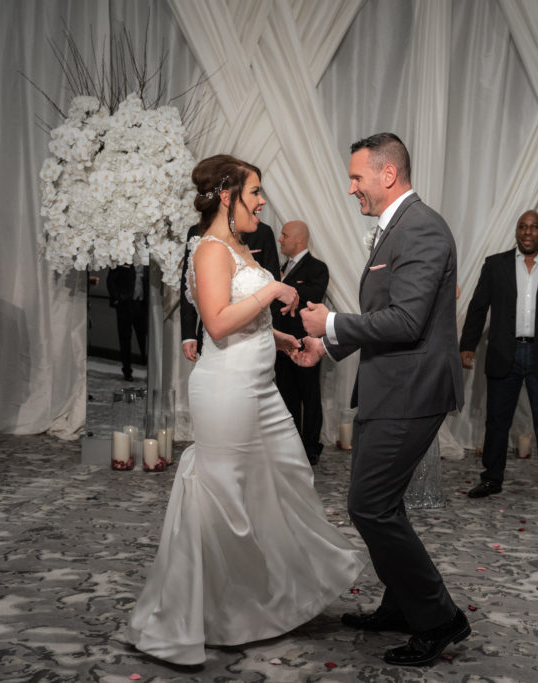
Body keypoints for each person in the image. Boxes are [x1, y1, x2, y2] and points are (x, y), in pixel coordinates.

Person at [126, 154, 364, 666]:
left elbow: (247, 322)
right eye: (255, 192)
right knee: (227, 497)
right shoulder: (211, 249)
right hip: (227, 388)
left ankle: (263, 601)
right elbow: (215, 323)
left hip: (259, 384)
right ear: (229, 196)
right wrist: (273, 292)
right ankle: (209, 614)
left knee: (286, 475)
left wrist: (283, 342)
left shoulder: (240, 246)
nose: (262, 201)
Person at [299, 133, 469, 667]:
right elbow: (386, 316)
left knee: (368, 505)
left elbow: (406, 320)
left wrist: (329, 320)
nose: (351, 188)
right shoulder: (396, 227)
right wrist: (325, 343)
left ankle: (440, 618)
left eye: (357, 178)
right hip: (390, 385)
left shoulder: (421, 227)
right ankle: (402, 605)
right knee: (382, 504)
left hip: (411, 389)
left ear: (387, 174)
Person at [459, 210, 538, 507]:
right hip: (504, 353)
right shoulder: (495, 264)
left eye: (534, 227)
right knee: (497, 420)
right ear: (517, 231)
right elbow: (478, 308)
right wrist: (468, 344)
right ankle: (491, 478)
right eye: (522, 227)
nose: (527, 232)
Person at [179, 218, 279, 362]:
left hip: (257, 337)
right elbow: (189, 283)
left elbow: (272, 277)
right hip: (214, 333)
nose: (261, 201)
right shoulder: (198, 232)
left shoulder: (263, 232)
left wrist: (272, 332)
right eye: (254, 194)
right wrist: (188, 333)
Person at [272, 220, 329, 465]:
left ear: (298, 239)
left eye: (284, 235)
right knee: (287, 394)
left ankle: (311, 446)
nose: (280, 239)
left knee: (310, 395)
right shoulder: (280, 267)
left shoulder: (318, 268)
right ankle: (291, 443)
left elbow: (311, 296)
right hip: (281, 343)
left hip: (306, 343)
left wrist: (284, 285)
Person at [106, 264, 147, 382]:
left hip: (142, 304)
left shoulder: (148, 258)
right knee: (125, 339)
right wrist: (117, 298)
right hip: (125, 304)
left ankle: (149, 369)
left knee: (145, 338)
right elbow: (110, 279)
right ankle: (127, 371)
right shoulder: (123, 255)